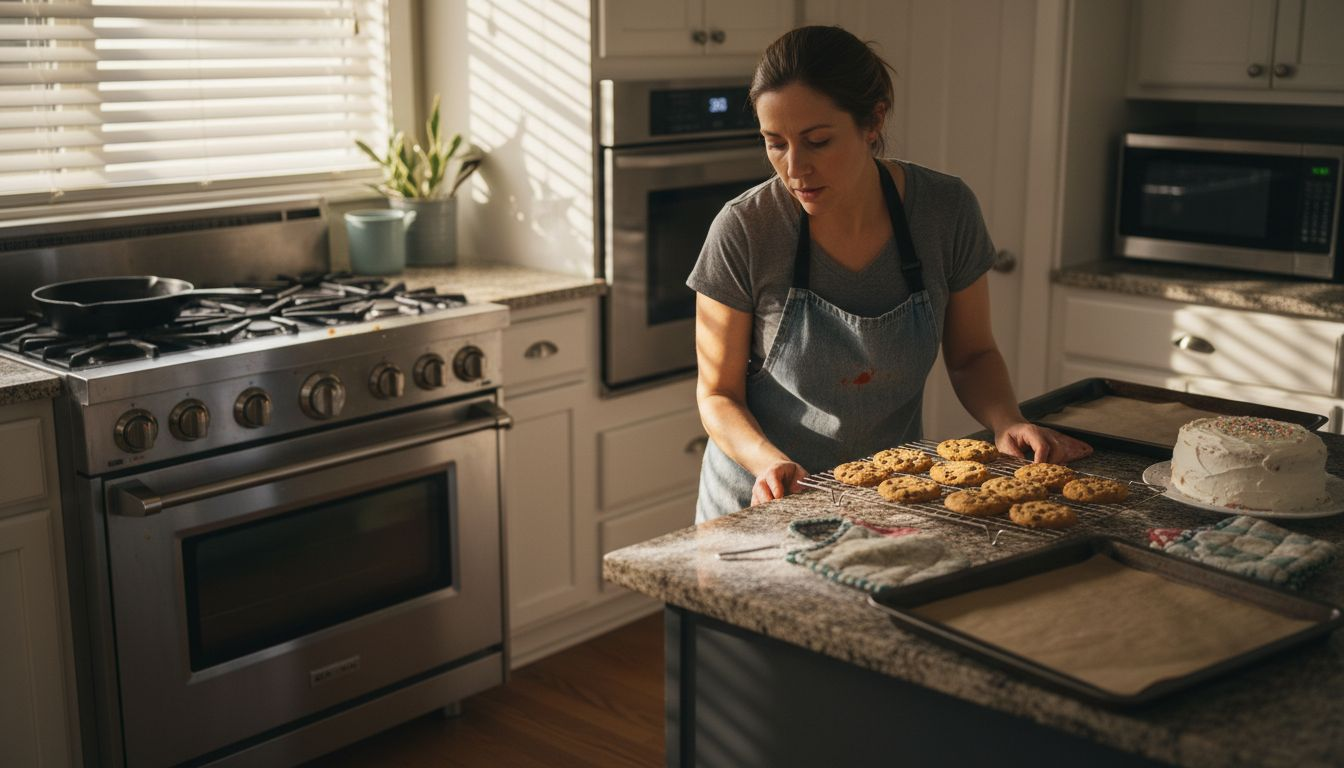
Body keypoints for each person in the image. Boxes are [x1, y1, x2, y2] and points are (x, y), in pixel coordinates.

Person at [687, 25, 1091, 523]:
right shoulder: (746, 229)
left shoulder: (944, 210)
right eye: (775, 143)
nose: (794, 168)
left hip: (887, 501)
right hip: (759, 502)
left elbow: (972, 355)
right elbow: (717, 394)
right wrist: (767, 462)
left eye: (817, 141)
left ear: (873, 120)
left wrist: (1006, 420)